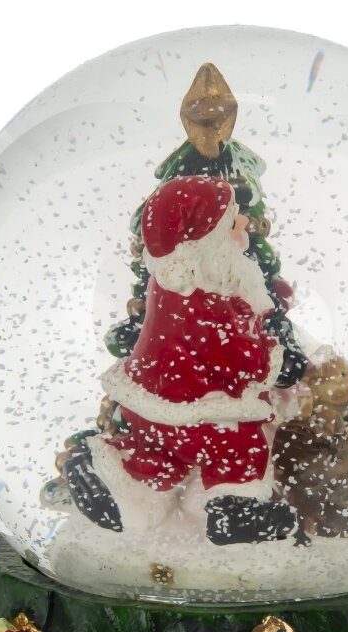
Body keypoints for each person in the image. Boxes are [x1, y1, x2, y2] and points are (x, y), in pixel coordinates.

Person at [88, 174, 299, 544]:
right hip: (201, 416)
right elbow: (238, 358)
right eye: (232, 223)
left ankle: (130, 492)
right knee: (241, 449)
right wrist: (268, 355)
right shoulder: (211, 301)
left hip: (149, 407)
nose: (244, 224)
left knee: (157, 455)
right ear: (207, 240)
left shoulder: (169, 282)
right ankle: (235, 511)